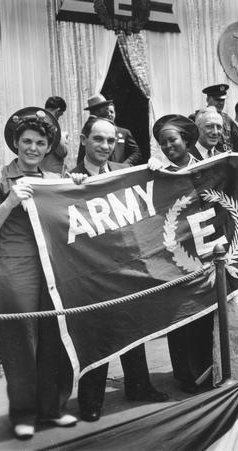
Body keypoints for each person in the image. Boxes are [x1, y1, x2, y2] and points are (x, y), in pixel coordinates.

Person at [0, 107, 77, 439]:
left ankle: (52, 408)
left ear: (48, 147)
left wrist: (76, 184)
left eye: (39, 143)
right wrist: (8, 203)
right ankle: (23, 412)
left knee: (53, 340)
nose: (33, 148)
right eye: (26, 142)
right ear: (16, 144)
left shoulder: (54, 180)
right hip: (13, 269)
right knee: (20, 343)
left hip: (51, 268)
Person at [70, 116, 169, 422]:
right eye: (98, 139)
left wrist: (153, 170)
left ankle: (139, 386)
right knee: (96, 335)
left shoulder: (125, 172)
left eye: (110, 141)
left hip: (126, 264)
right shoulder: (68, 179)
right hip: (92, 270)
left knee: (134, 325)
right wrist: (70, 188)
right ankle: (91, 399)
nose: (104, 146)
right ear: (84, 139)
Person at [147, 114, 214, 393]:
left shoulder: (207, 168)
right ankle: (185, 374)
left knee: (206, 316)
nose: (167, 146)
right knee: (180, 315)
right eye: (162, 143)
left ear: (186, 140)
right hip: (175, 254)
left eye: (172, 140)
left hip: (208, 251)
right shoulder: (159, 174)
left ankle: (209, 370)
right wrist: (150, 173)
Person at [76, 94, 143, 166]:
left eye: (112, 111)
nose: (108, 113)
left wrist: (123, 166)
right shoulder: (90, 129)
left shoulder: (123, 132)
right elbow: (82, 157)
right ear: (98, 111)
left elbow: (136, 153)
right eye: (106, 108)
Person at [190, 84, 233, 152]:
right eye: (217, 99)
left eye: (223, 100)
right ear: (207, 99)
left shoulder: (227, 118)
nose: (221, 103)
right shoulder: (196, 117)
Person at [40, 96, 70, 176]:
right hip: (52, 173)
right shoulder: (53, 127)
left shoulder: (35, 123)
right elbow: (62, 152)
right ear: (58, 111)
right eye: (60, 115)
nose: (58, 119)